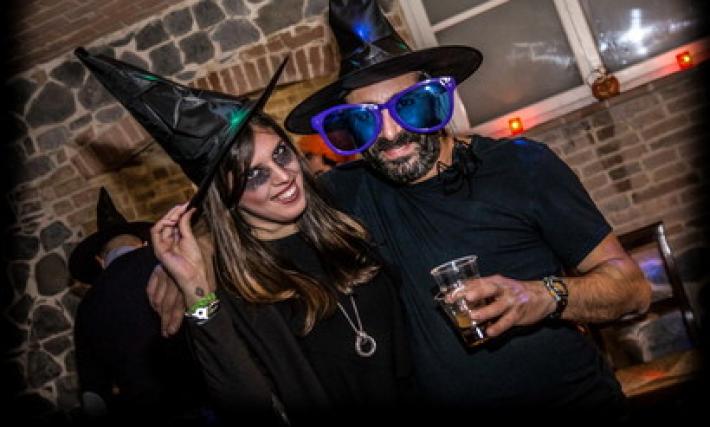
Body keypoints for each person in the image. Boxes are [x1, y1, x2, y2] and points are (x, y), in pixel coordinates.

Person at [149, 0, 652, 418]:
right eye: (364, 120)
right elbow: (255, 207)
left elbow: (632, 290)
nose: (390, 134)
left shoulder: (521, 167)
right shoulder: (345, 193)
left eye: (409, 106)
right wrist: (195, 255)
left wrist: (541, 297)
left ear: (437, 99)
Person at [77, 49, 415, 425]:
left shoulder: (346, 217)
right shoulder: (234, 288)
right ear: (226, 196)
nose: (283, 177)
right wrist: (196, 296)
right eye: (254, 175)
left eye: (281, 154)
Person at [68, 187, 209, 426]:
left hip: (150, 415)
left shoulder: (86, 307)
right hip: (207, 393)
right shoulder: (170, 264)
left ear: (100, 261)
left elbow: (93, 395)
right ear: (144, 243)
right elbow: (208, 313)